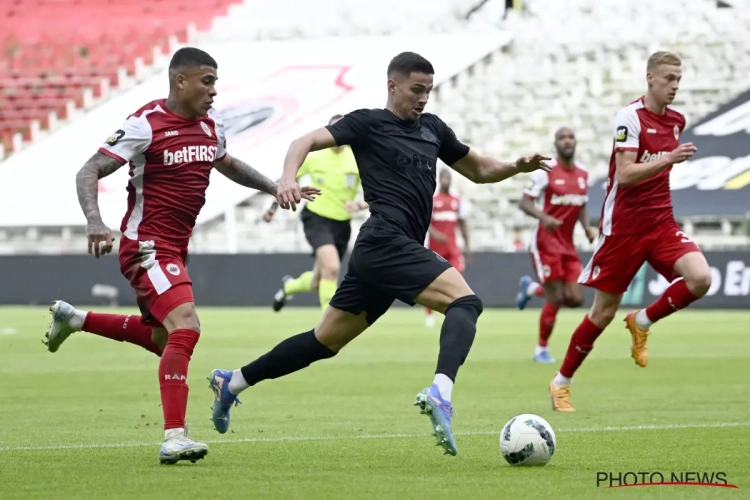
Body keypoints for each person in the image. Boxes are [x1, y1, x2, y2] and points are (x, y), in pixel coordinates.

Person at [206, 51, 551, 457]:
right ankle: (441, 392)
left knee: (323, 342)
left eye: (429, 91)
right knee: (466, 302)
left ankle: (233, 382)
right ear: (393, 86)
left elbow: (478, 169)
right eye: (416, 90)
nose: (423, 99)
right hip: (385, 241)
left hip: (384, 251)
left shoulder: (434, 129)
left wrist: (516, 166)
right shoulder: (368, 122)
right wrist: (286, 178)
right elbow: (305, 140)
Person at [42, 47, 318, 464]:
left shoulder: (211, 125)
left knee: (162, 338)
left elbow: (226, 163)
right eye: (207, 81)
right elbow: (89, 170)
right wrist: (95, 222)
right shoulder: (146, 123)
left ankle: (75, 318)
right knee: (187, 325)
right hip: (146, 245)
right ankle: (175, 435)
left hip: (177, 246)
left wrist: (273, 187)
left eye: (216, 82)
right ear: (181, 81)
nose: (214, 91)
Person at [549, 51, 711, 412]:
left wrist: (666, 160)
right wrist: (668, 158)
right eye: (669, 79)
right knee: (602, 314)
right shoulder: (629, 117)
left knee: (701, 278)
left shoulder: (676, 121)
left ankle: (642, 321)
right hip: (623, 228)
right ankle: (561, 382)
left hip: (661, 223)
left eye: (679, 80)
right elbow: (624, 174)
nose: (675, 86)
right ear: (650, 78)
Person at [265, 114, 368, 312]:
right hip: (316, 218)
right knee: (332, 268)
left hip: (342, 224)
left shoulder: (357, 158)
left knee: (317, 282)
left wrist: (359, 206)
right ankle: (327, 329)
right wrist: (272, 209)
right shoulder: (315, 156)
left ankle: (289, 287)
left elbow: (376, 191)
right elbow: (286, 181)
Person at [515, 127, 595, 362]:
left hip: (567, 244)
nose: (567, 141)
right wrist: (544, 217)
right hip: (545, 242)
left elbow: (581, 204)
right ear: (556, 144)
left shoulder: (583, 173)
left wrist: (587, 227)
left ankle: (530, 289)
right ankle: (541, 350)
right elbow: (524, 203)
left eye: (571, 137)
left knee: (576, 299)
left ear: (576, 142)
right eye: (562, 138)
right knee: (556, 298)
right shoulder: (545, 173)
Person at [424, 168, 471, 328]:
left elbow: (463, 224)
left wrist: (468, 245)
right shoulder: (432, 200)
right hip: (435, 248)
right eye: (443, 177)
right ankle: (429, 314)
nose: (446, 180)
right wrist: (435, 234)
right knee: (431, 282)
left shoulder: (457, 200)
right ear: (439, 179)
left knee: (458, 277)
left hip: (452, 247)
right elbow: (425, 221)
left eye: (448, 178)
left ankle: (455, 311)